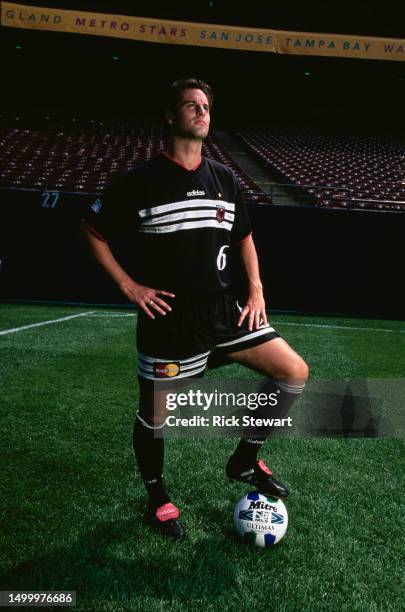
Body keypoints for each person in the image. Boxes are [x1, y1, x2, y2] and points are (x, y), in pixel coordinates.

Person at [82, 77, 309, 540]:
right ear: (170, 117)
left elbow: (244, 237)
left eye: (206, 106)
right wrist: (129, 285)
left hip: (225, 313)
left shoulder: (224, 177)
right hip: (170, 323)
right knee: (154, 416)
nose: (201, 112)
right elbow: (92, 229)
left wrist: (257, 290)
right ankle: (157, 497)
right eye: (191, 105)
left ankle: (244, 460)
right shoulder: (140, 181)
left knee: (293, 371)